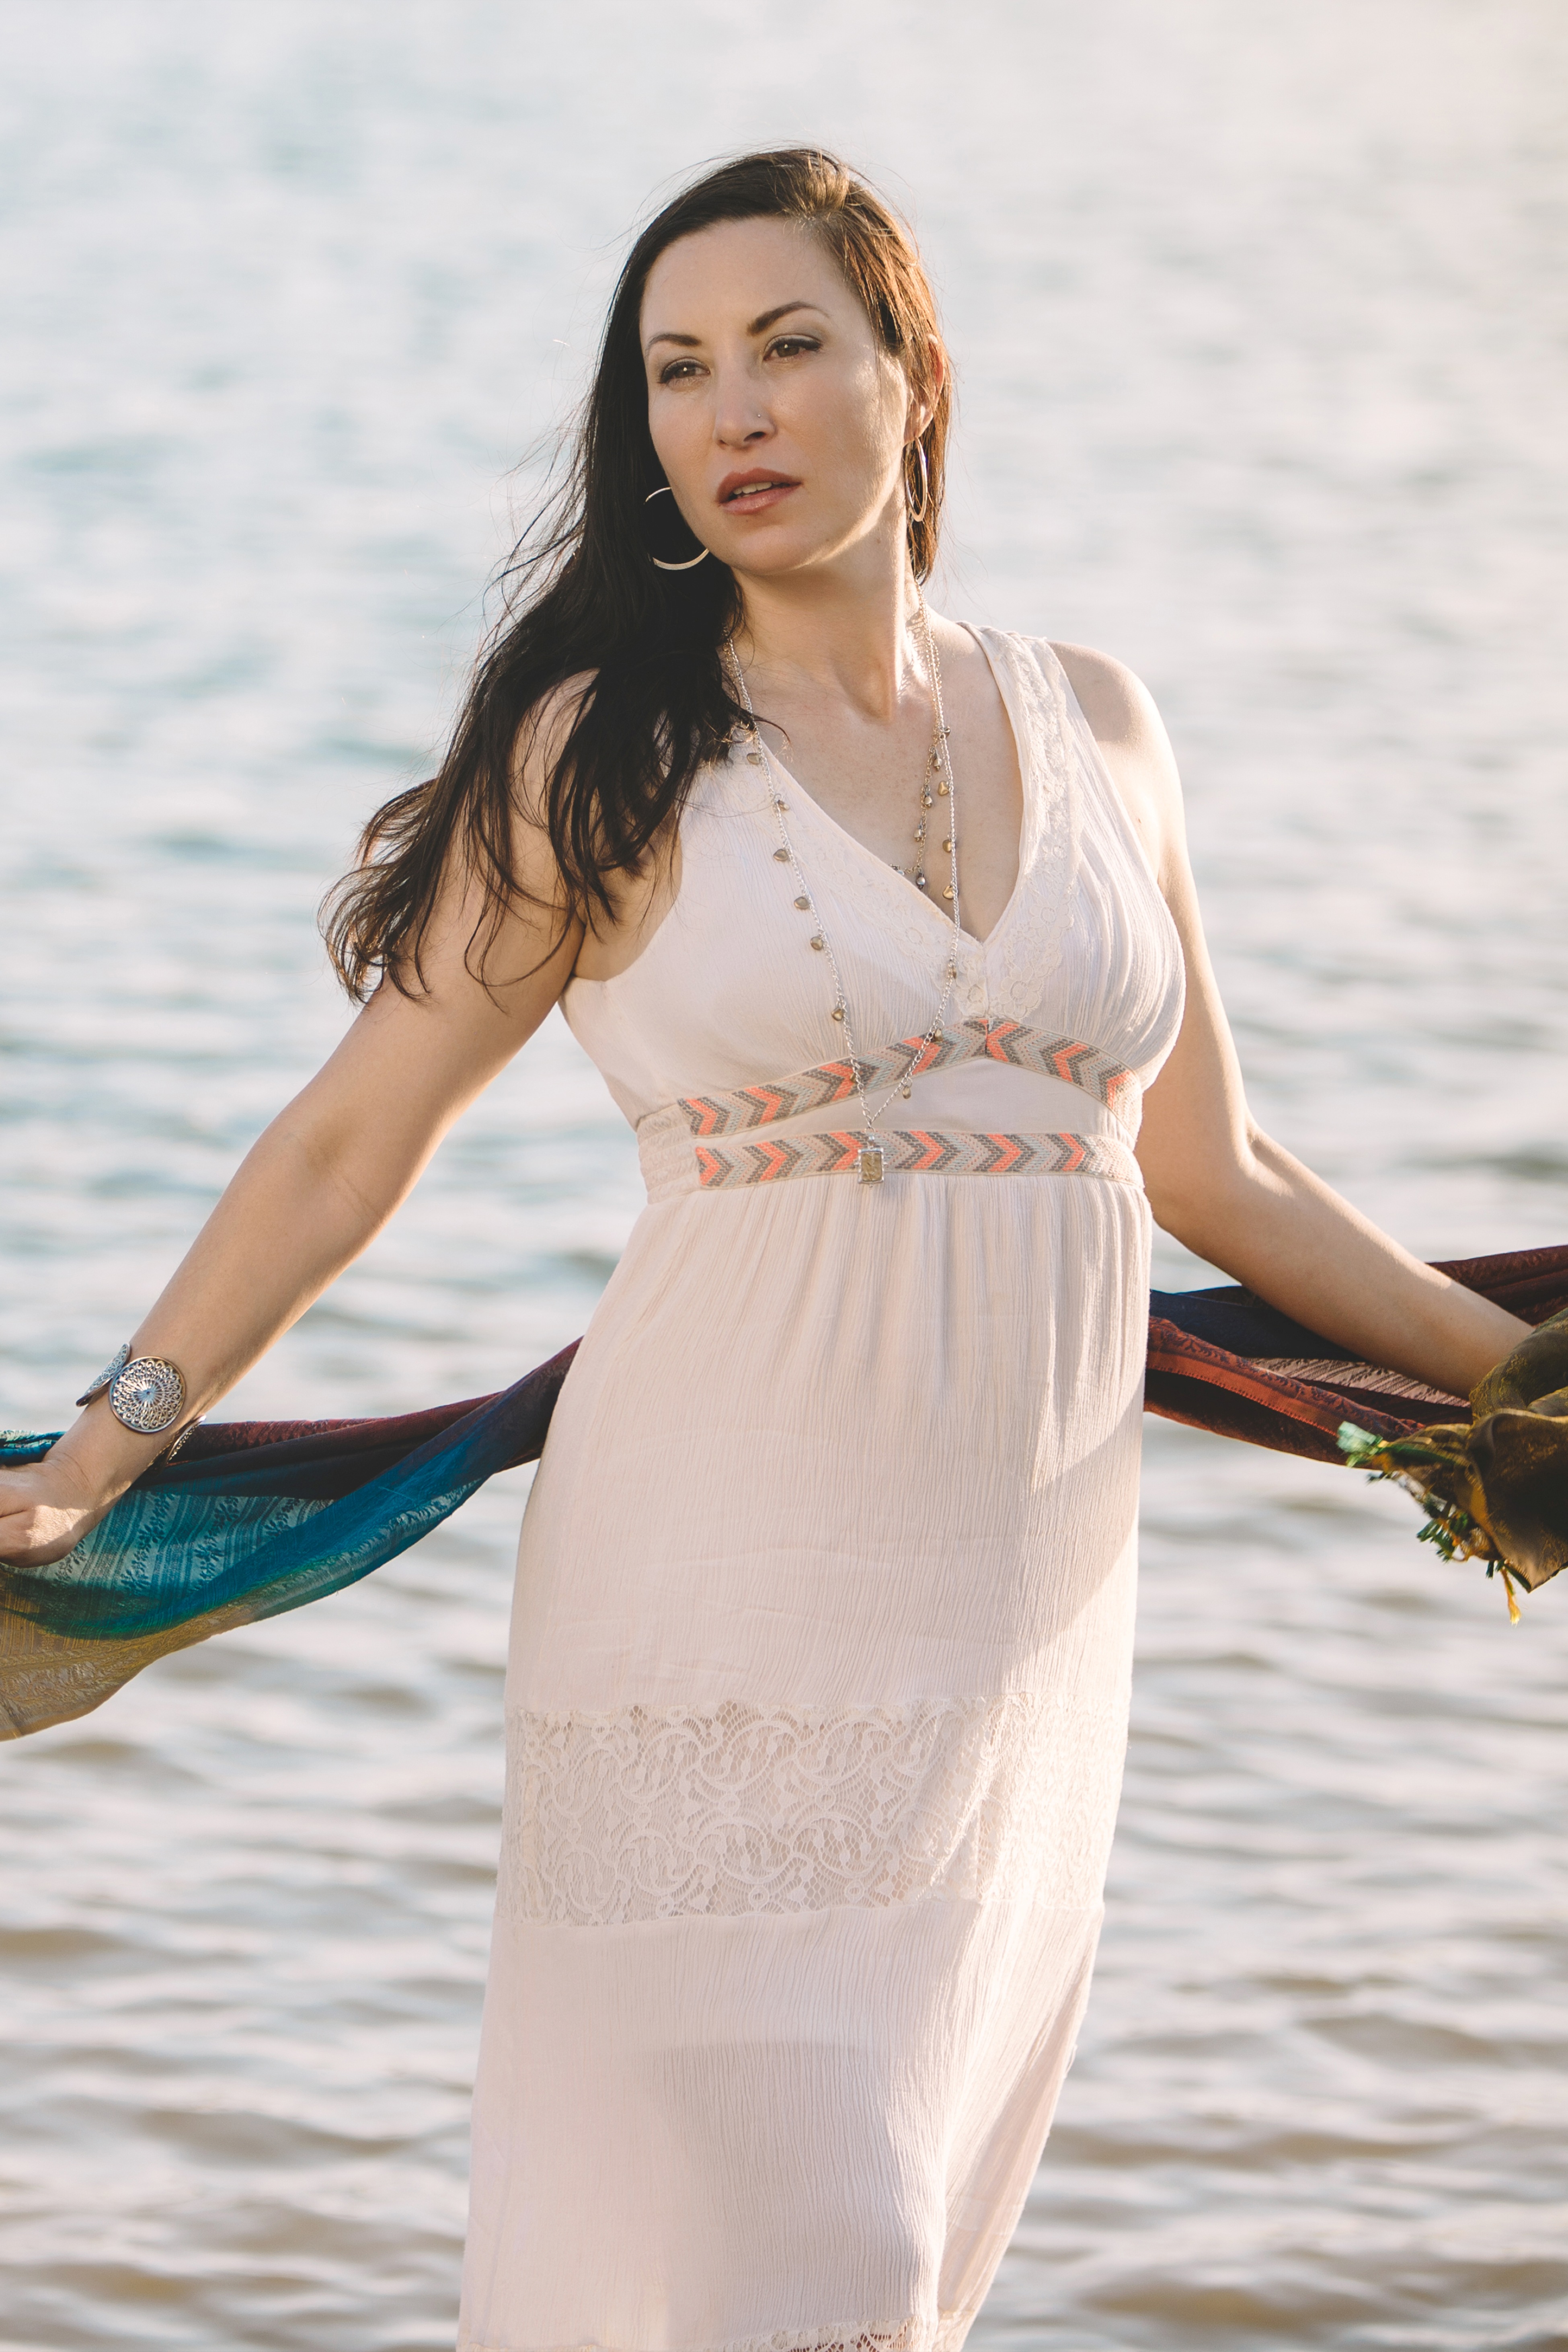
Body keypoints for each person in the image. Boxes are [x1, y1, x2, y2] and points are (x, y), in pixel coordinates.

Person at [0, 149, 1529, 2351]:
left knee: (894, 2246)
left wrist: (1517, 1388)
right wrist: (108, 1445)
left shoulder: (1101, 723)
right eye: (679, 370)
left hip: (1017, 1617)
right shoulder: (598, 752)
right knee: (812, 2251)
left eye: (790, 347)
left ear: (913, 373)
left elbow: (1226, 1176)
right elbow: (348, 1143)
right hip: (709, 1584)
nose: (734, 412)